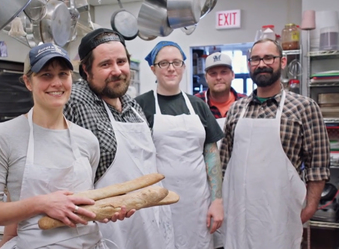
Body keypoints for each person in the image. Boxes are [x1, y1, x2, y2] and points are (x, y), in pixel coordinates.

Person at [0, 43, 131, 249]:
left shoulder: (87, 140)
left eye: (63, 74)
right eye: (46, 75)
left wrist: (106, 211)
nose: (56, 83)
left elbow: (86, 203)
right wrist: (41, 204)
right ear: (28, 82)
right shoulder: (3, 136)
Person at [64, 28, 174, 249]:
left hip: (151, 221)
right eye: (105, 64)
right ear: (86, 69)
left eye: (121, 62)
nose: (117, 71)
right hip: (109, 227)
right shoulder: (73, 101)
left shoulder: (133, 105)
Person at [220, 38, 330, 249]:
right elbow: (225, 161)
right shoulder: (236, 108)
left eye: (269, 58)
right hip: (239, 213)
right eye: (256, 59)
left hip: (281, 214)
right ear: (249, 63)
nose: (262, 64)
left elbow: (318, 163)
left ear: (282, 62)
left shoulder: (304, 107)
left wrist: (311, 205)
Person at [134, 41, 225, 249]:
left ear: (184, 67)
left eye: (176, 62)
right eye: (164, 63)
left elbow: (211, 155)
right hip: (158, 202)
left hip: (198, 204)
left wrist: (217, 200)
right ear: (153, 69)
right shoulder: (140, 105)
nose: (171, 68)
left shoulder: (198, 105)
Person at [195, 52, 246, 120]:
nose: (218, 77)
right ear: (206, 78)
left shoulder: (246, 103)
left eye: (224, 72)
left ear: (233, 75)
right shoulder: (195, 104)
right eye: (213, 73)